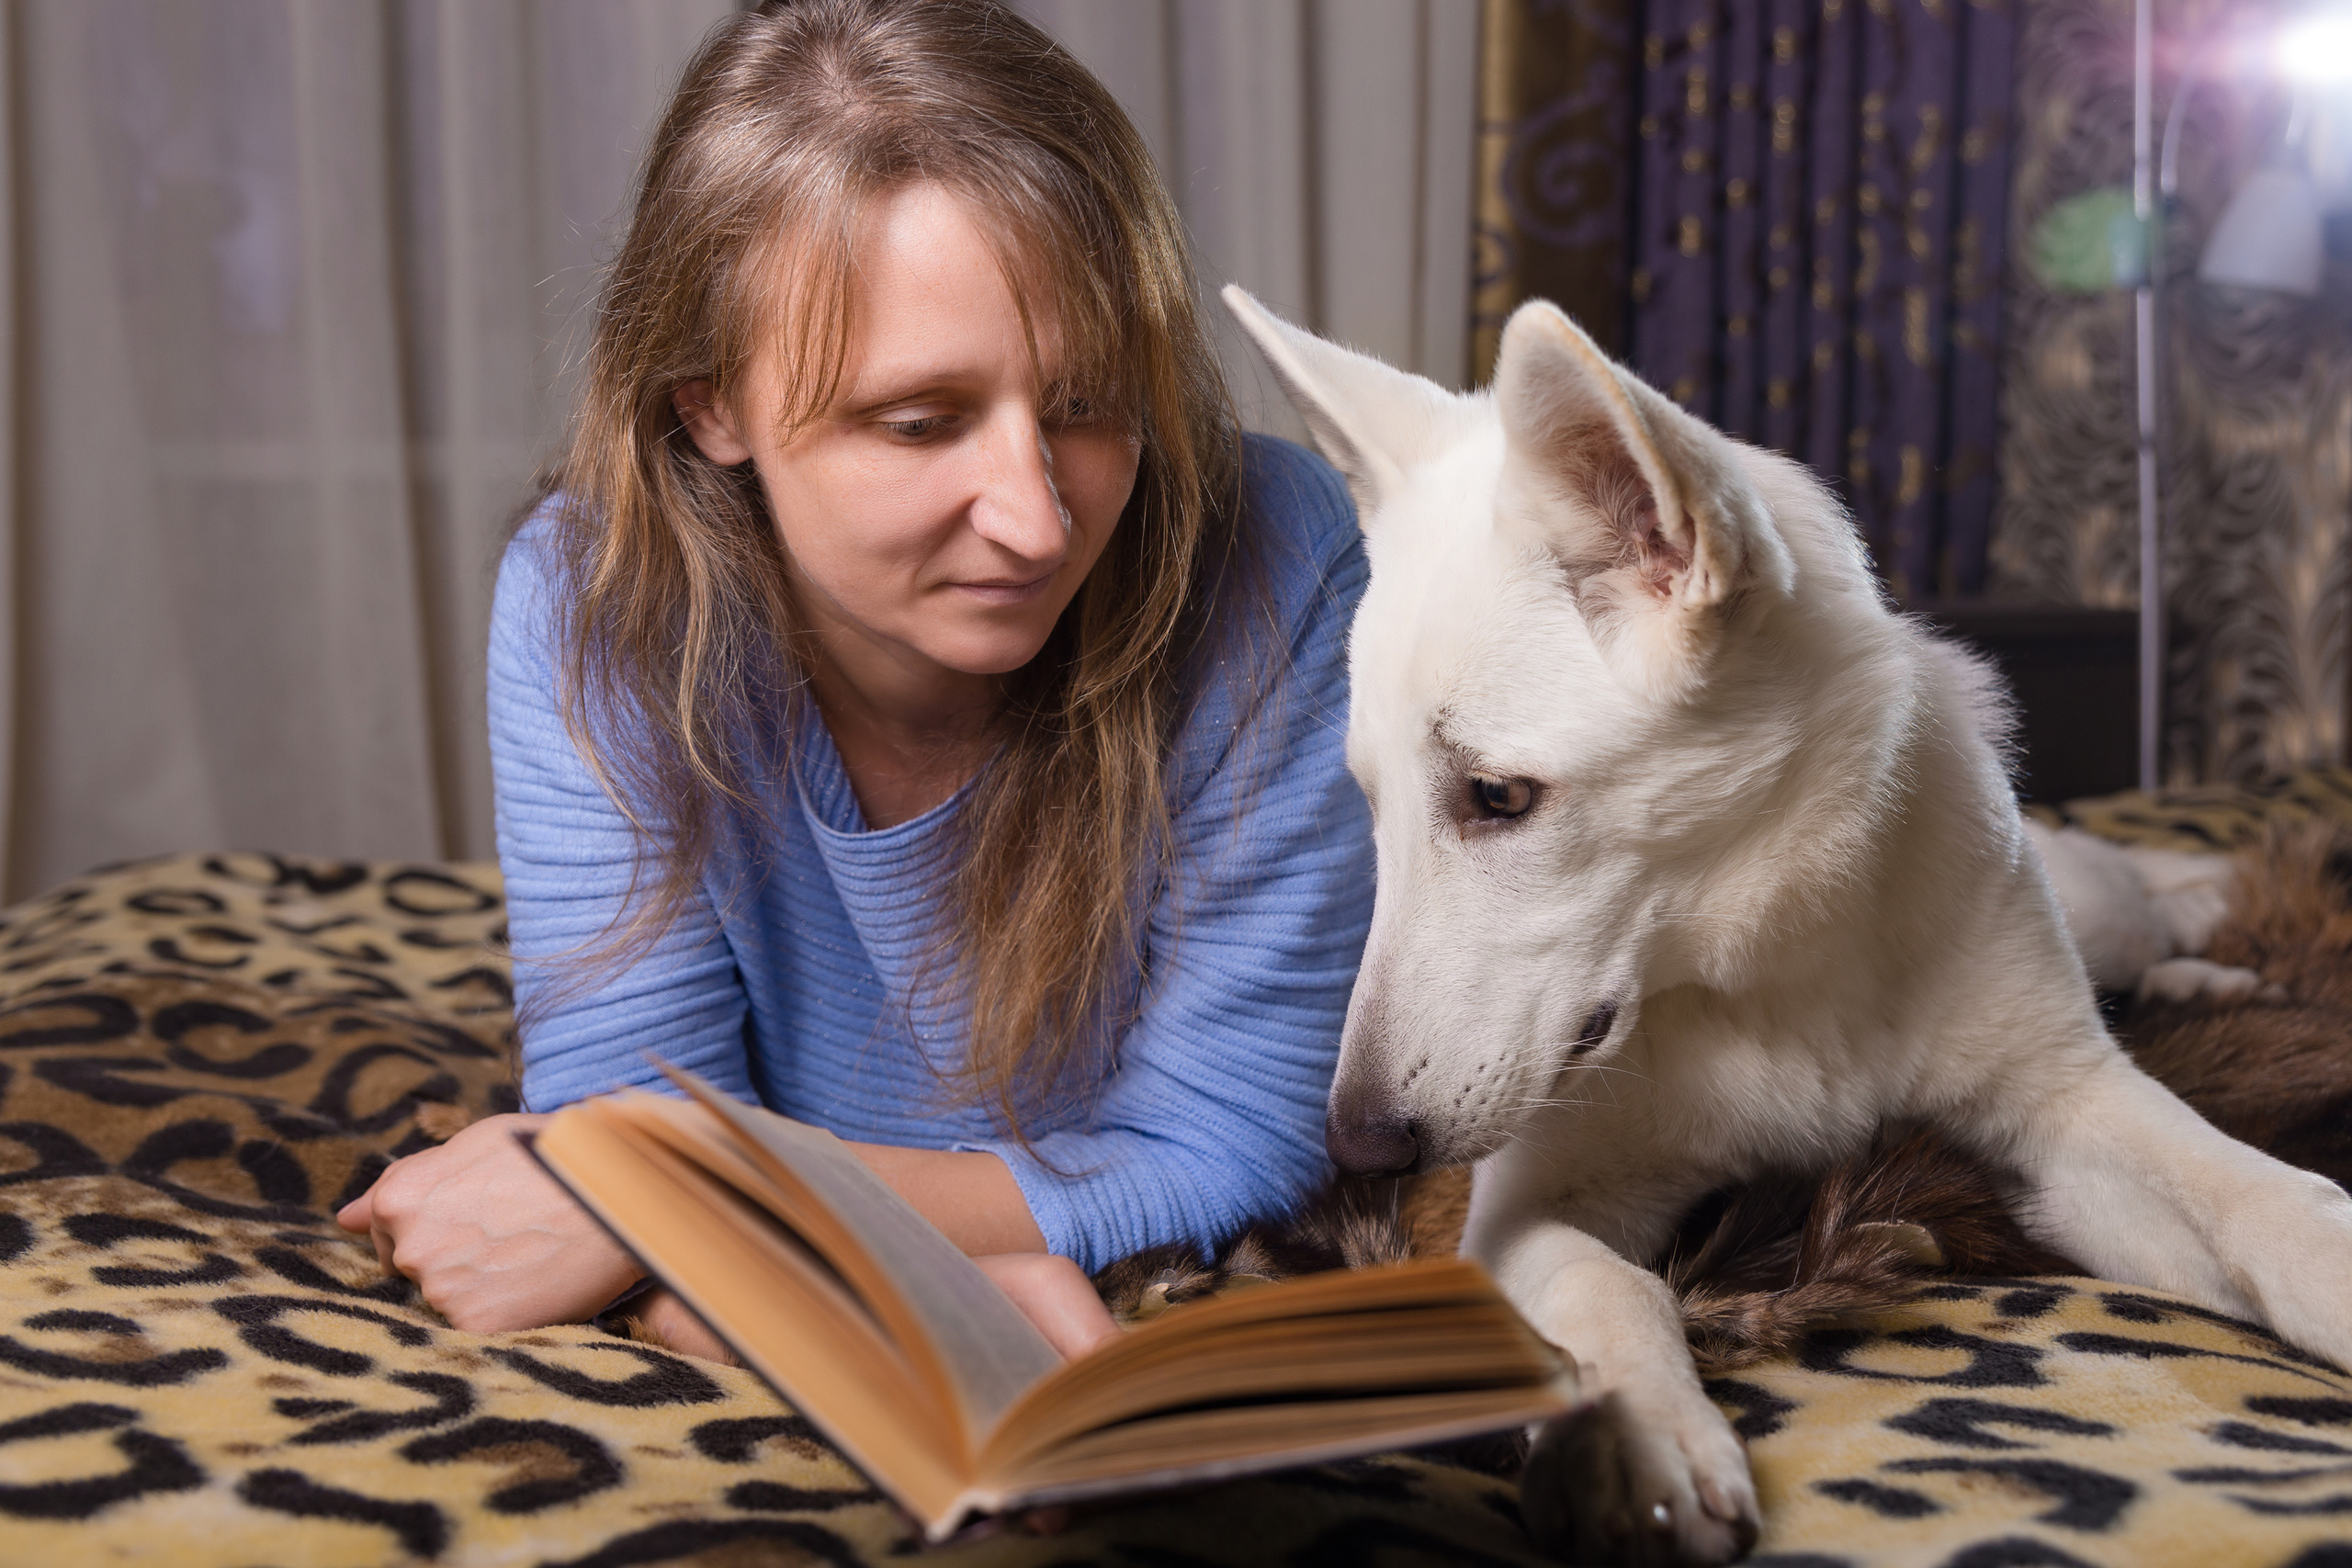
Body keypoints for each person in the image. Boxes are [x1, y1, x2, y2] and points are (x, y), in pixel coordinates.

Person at [335, 0, 1372, 1361]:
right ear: (710, 403)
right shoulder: (587, 602)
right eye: (922, 422)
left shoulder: (1278, 555)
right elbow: (630, 1109)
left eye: (1084, 402)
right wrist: (849, 1287)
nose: (1038, 520)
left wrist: (677, 1210)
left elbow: (1231, 1149)